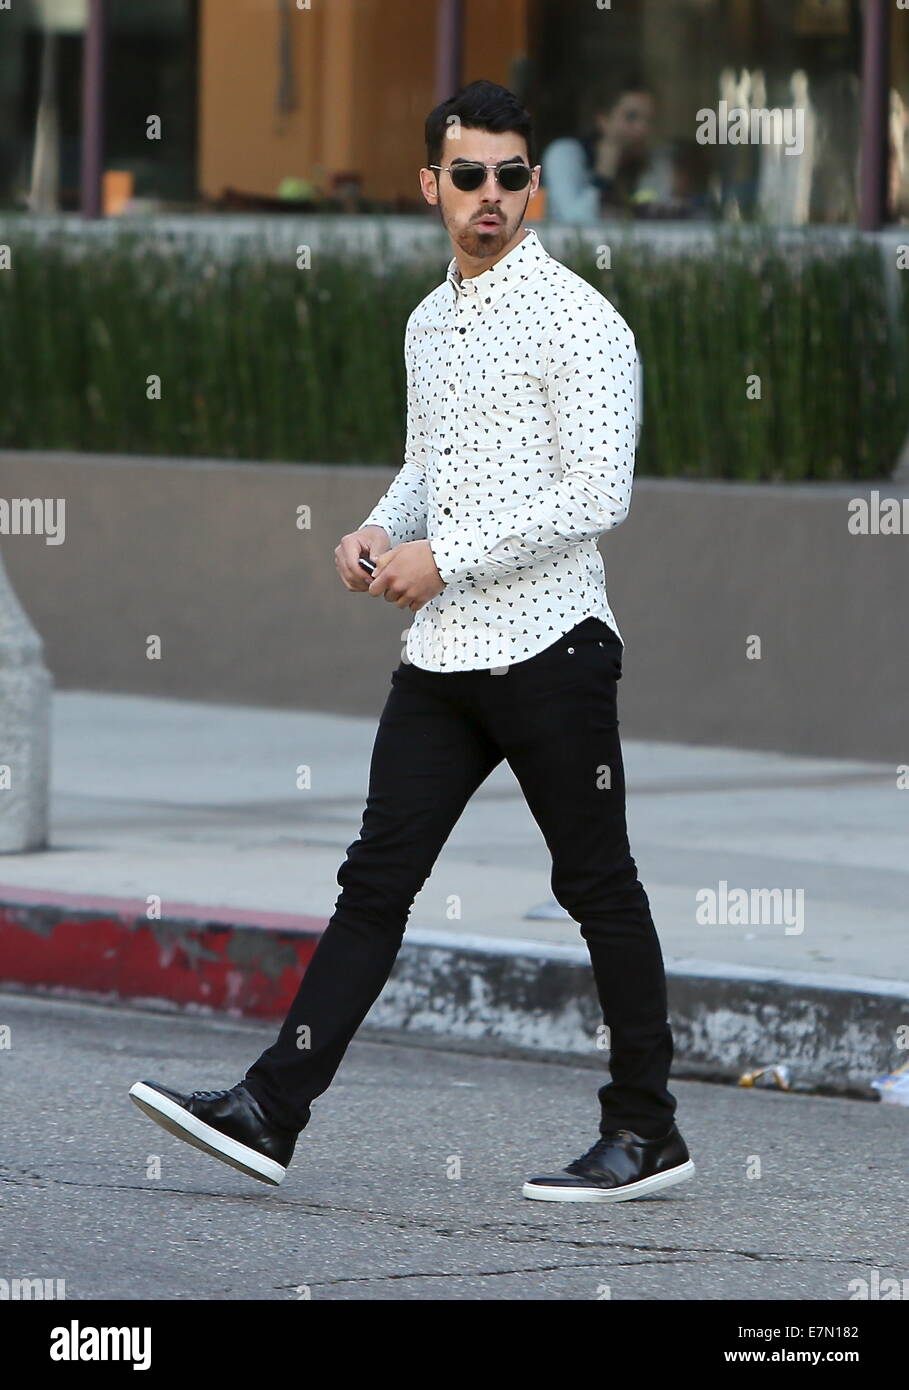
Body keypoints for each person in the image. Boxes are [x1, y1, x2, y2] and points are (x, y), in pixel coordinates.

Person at [129, 79, 695, 1205]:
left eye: (512, 176)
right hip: (444, 658)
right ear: (430, 184)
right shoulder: (426, 323)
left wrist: (451, 556)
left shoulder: (582, 321)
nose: (491, 195)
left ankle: (647, 1130)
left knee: (596, 884)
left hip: (554, 646)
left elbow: (600, 493)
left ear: (533, 188)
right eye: (468, 174)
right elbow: (428, 468)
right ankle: (270, 1108)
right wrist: (382, 530)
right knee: (375, 879)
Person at [542, 76, 677, 223]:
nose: (642, 129)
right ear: (603, 120)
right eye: (631, 117)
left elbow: (660, 221)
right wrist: (602, 177)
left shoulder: (652, 163)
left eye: (649, 120)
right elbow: (574, 222)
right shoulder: (566, 154)